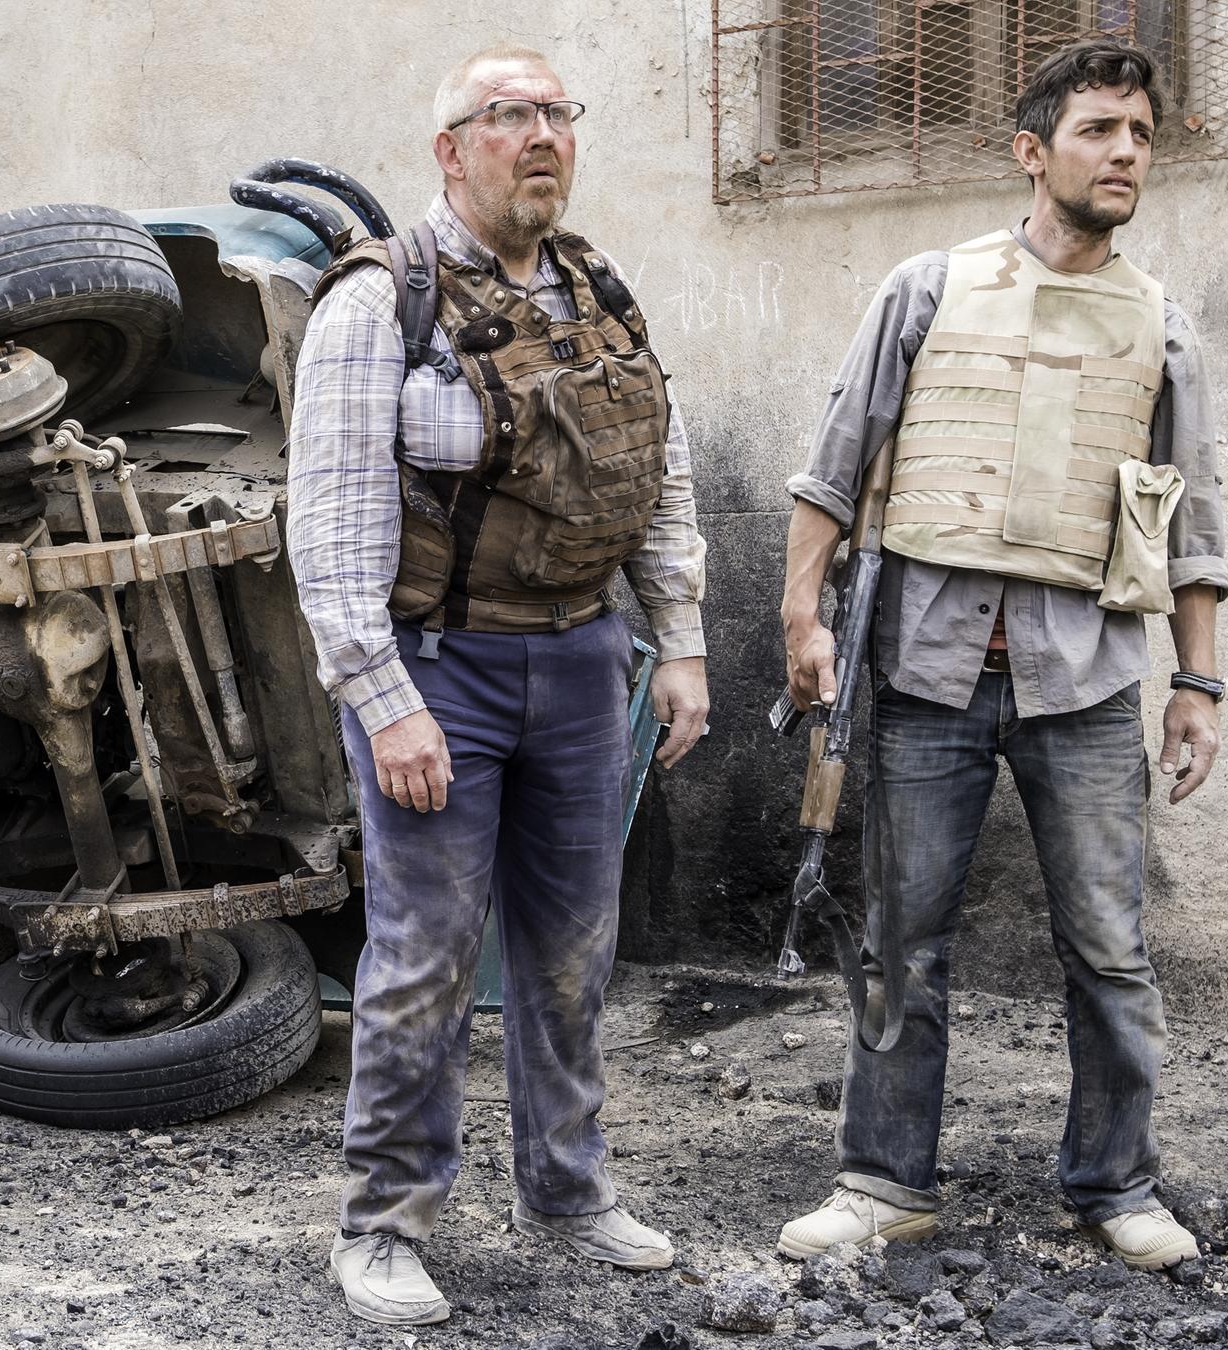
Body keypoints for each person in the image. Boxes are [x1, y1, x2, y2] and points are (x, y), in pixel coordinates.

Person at [775, 38, 1228, 1271]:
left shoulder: (1160, 327)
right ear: (1033, 151)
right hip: (928, 675)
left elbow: (1190, 525)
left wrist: (1196, 683)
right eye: (1098, 129)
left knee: (1109, 950)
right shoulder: (927, 289)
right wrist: (802, 618)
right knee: (901, 939)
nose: (1125, 152)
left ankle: (1116, 1185)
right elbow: (830, 466)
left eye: (1140, 133)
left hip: (1084, 685)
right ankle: (883, 1184)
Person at [285, 42, 712, 1327]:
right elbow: (333, 522)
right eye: (508, 116)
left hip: (585, 664)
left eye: (556, 115)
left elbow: (659, 471)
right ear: (450, 150)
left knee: (577, 948)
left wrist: (679, 638)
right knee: (422, 957)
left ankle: (568, 1194)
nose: (540, 136)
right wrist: (383, 697)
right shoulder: (378, 304)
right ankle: (386, 1225)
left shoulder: (598, 289)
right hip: (440, 668)